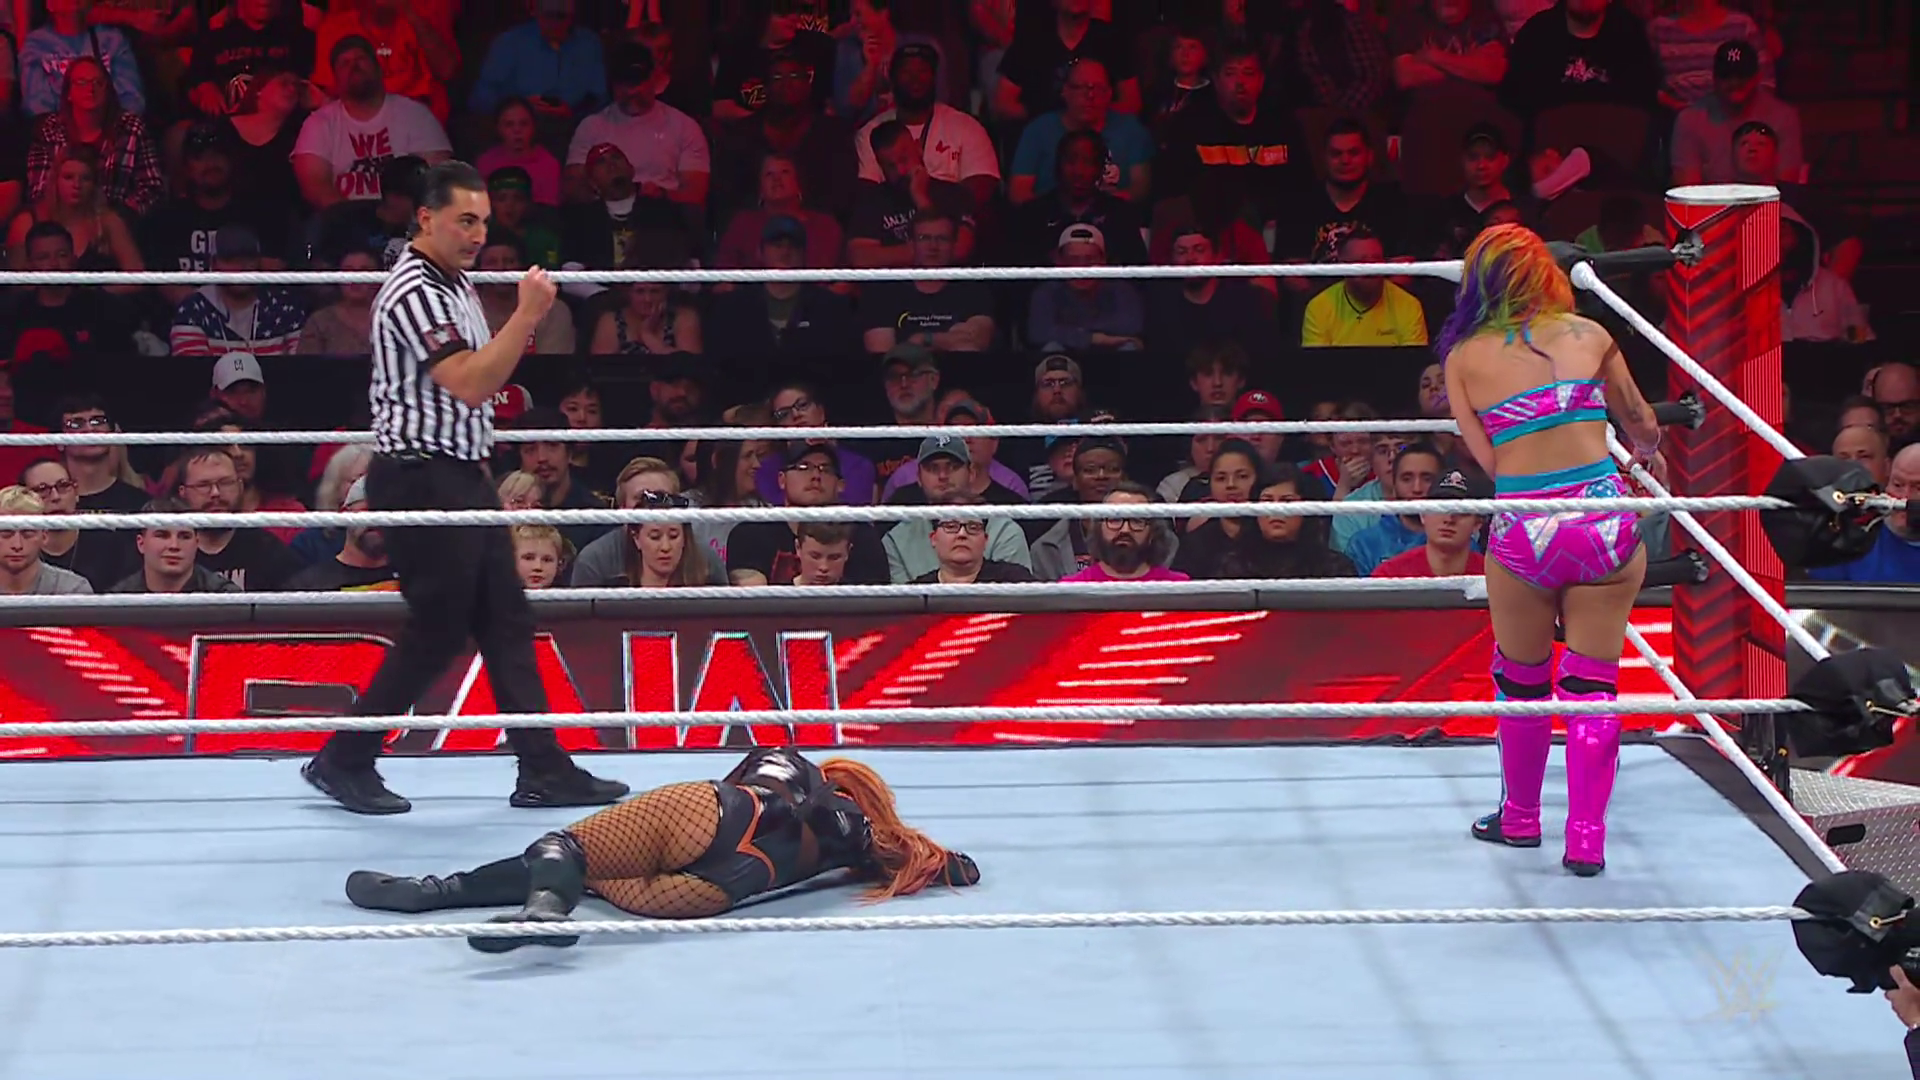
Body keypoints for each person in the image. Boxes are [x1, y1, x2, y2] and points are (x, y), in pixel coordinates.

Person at [302, 161, 626, 816]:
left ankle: (543, 768)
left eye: (484, 221)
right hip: (420, 477)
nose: (478, 234)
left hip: (459, 474)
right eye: (465, 221)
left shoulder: (453, 283)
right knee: (440, 627)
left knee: (506, 618)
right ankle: (344, 758)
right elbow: (473, 382)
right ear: (426, 218)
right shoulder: (414, 291)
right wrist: (528, 314)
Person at [1438, 223, 1661, 877]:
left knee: (1522, 678)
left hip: (1526, 525)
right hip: (1601, 520)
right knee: (1593, 686)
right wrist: (1643, 456)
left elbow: (1490, 463)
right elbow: (1641, 423)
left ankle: (1520, 818)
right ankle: (1586, 838)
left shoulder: (1463, 359)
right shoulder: (1591, 336)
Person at [344, 747, 982, 952]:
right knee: (590, 870)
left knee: (569, 848)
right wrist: (934, 857)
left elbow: (760, 786)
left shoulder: (790, 763)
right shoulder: (864, 842)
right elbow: (957, 868)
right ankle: (549, 894)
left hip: (721, 815)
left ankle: (468, 895)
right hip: (722, 888)